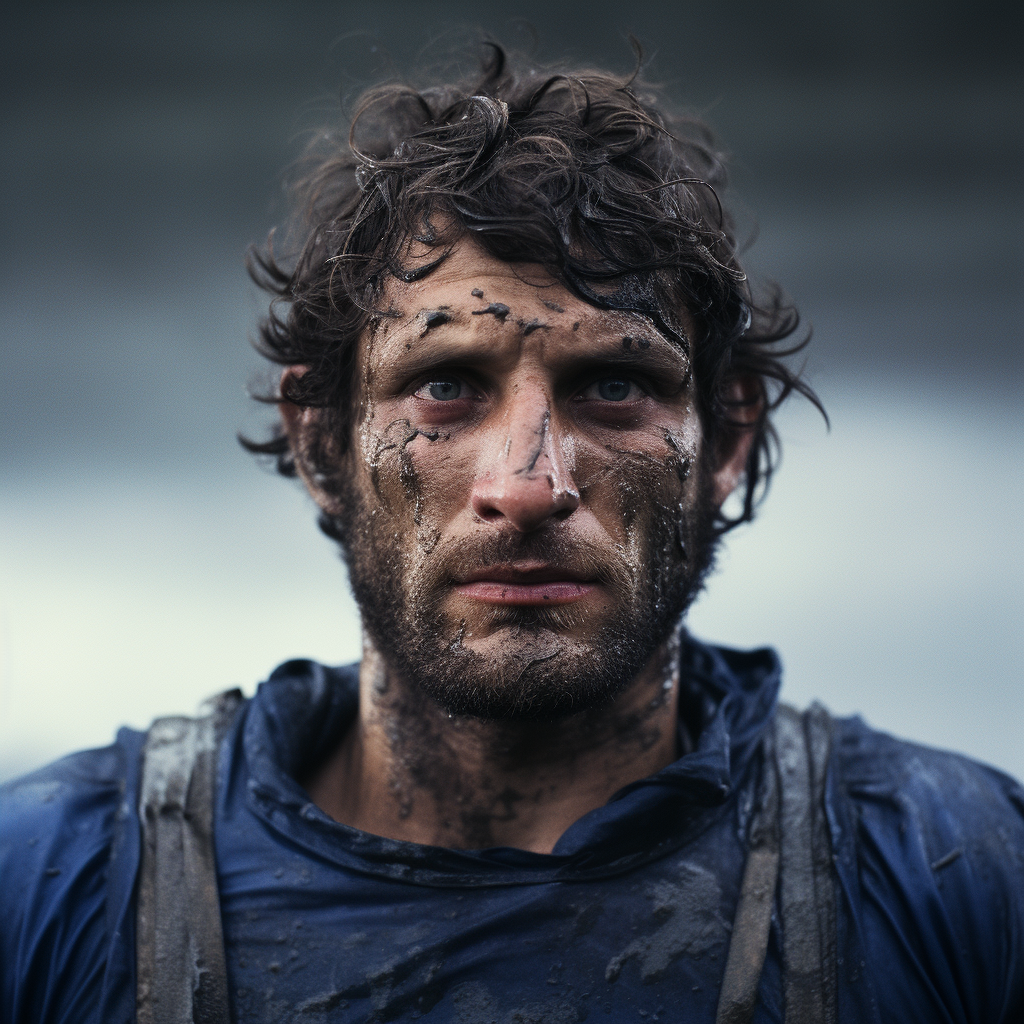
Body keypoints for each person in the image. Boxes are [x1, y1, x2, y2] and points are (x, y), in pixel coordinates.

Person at [2, 45, 1022, 1024]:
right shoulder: (54, 882)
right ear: (320, 445)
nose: (529, 486)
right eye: (444, 387)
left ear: (728, 440)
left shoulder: (955, 875)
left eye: (614, 386)